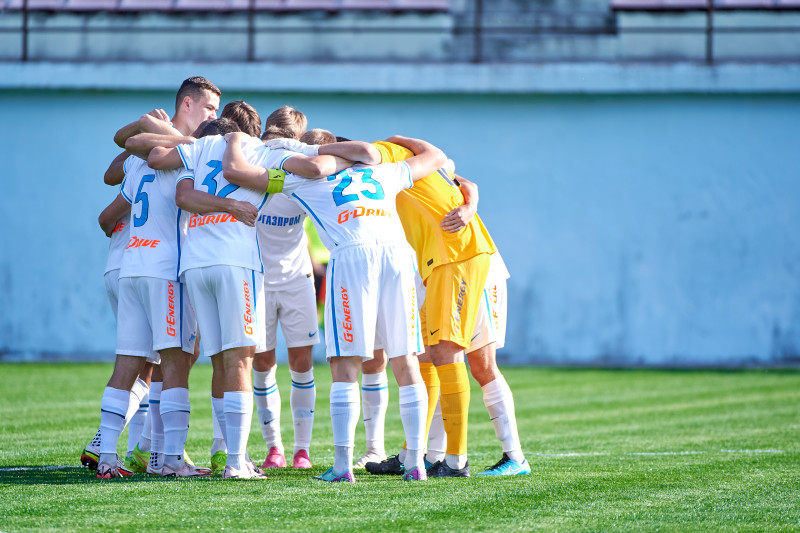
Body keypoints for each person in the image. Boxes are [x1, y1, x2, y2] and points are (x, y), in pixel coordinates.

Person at [145, 114, 371, 478]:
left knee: (219, 361)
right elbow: (312, 168)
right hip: (236, 263)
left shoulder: (200, 148)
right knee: (241, 362)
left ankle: (197, 454)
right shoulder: (260, 152)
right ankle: (235, 460)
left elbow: (164, 170)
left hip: (195, 263)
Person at [223, 132, 446, 483]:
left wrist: (297, 151)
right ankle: (416, 463)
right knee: (405, 361)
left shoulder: (303, 180)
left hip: (352, 255)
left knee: (345, 364)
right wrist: (394, 140)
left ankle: (342, 467)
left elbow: (239, 174)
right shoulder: (383, 172)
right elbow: (434, 154)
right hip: (399, 256)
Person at [82, 77, 221, 477]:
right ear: (188, 104)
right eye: (211, 108)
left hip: (132, 268)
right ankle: (169, 458)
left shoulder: (142, 157)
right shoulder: (190, 153)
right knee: (176, 363)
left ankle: (108, 455)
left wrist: (144, 128)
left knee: (130, 362)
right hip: (165, 271)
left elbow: (118, 169)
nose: (214, 116)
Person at [365, 141, 529, 477]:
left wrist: (470, 207)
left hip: (473, 267)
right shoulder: (366, 185)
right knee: (428, 356)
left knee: (478, 364)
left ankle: (514, 457)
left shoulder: (388, 167)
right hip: (437, 269)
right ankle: (422, 452)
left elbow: (460, 177)